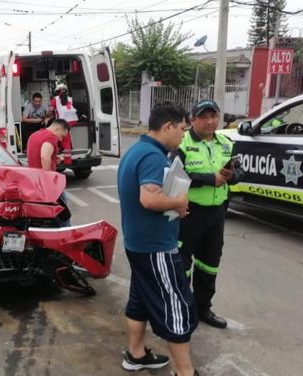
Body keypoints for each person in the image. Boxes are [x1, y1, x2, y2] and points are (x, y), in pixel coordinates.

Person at [117, 102, 199, 376]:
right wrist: (178, 203)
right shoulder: (153, 156)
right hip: (155, 249)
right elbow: (149, 198)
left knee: (140, 299)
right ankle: (185, 372)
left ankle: (136, 355)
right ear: (167, 127)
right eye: (182, 129)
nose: (183, 136)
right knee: (177, 307)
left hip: (138, 244)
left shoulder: (137, 150)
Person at [173, 99, 243, 330]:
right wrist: (209, 179)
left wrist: (231, 176)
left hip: (217, 213)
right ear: (193, 119)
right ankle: (181, 308)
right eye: (204, 116)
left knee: (210, 262)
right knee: (182, 262)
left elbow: (239, 172)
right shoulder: (181, 142)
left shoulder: (225, 143)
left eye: (214, 116)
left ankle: (203, 307)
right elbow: (175, 176)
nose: (210, 121)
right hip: (189, 213)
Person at [26, 118, 71, 226]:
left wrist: (55, 159)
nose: (60, 139)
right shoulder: (51, 137)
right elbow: (44, 156)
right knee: (64, 215)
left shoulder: (35, 135)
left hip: (34, 181)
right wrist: (47, 178)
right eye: (62, 135)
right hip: (48, 183)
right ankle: (66, 236)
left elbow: (37, 155)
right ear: (57, 128)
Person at [50, 84, 78, 165]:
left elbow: (50, 111)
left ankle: (67, 161)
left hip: (63, 122)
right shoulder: (71, 99)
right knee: (63, 137)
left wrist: (46, 117)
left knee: (65, 140)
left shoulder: (54, 100)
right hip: (73, 121)